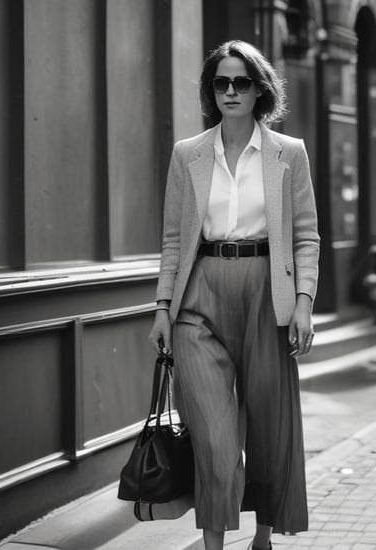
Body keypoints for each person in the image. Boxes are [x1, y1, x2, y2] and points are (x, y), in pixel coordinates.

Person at [148, 40, 319, 550]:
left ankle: (263, 537)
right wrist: (161, 307)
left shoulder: (289, 155)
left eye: (240, 82)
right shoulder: (188, 154)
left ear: (259, 89)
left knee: (268, 427)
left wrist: (305, 302)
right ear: (210, 89)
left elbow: (307, 234)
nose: (229, 91)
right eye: (220, 82)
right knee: (216, 439)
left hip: (269, 294)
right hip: (199, 296)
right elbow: (175, 239)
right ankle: (213, 546)